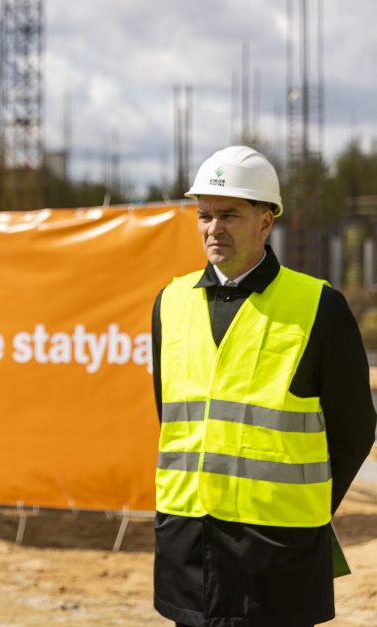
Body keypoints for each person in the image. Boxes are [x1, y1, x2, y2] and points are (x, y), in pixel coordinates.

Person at [151, 145, 376, 626]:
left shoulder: (318, 306)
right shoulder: (169, 304)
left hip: (278, 555)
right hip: (188, 550)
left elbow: (355, 429)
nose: (214, 229)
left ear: (266, 221)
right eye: (204, 215)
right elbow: (170, 414)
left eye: (229, 215)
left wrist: (303, 503)